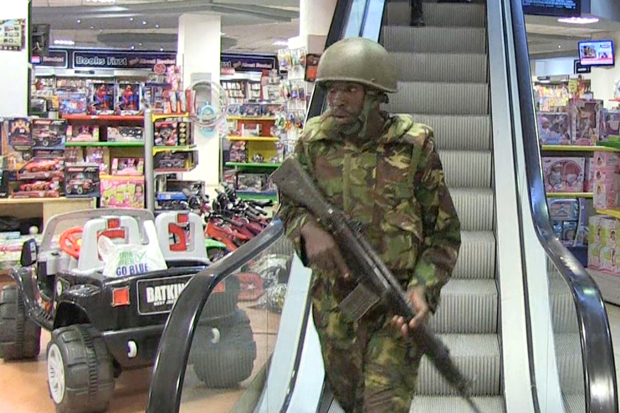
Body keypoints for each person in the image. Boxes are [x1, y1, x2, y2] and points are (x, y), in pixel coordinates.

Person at [277, 37, 461, 413]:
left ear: (375, 95)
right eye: (332, 89)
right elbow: (289, 206)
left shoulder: (413, 146)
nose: (337, 99)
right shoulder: (313, 142)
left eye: (350, 89)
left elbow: (443, 234)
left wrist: (422, 290)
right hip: (338, 310)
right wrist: (308, 231)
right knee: (352, 403)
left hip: (395, 311)